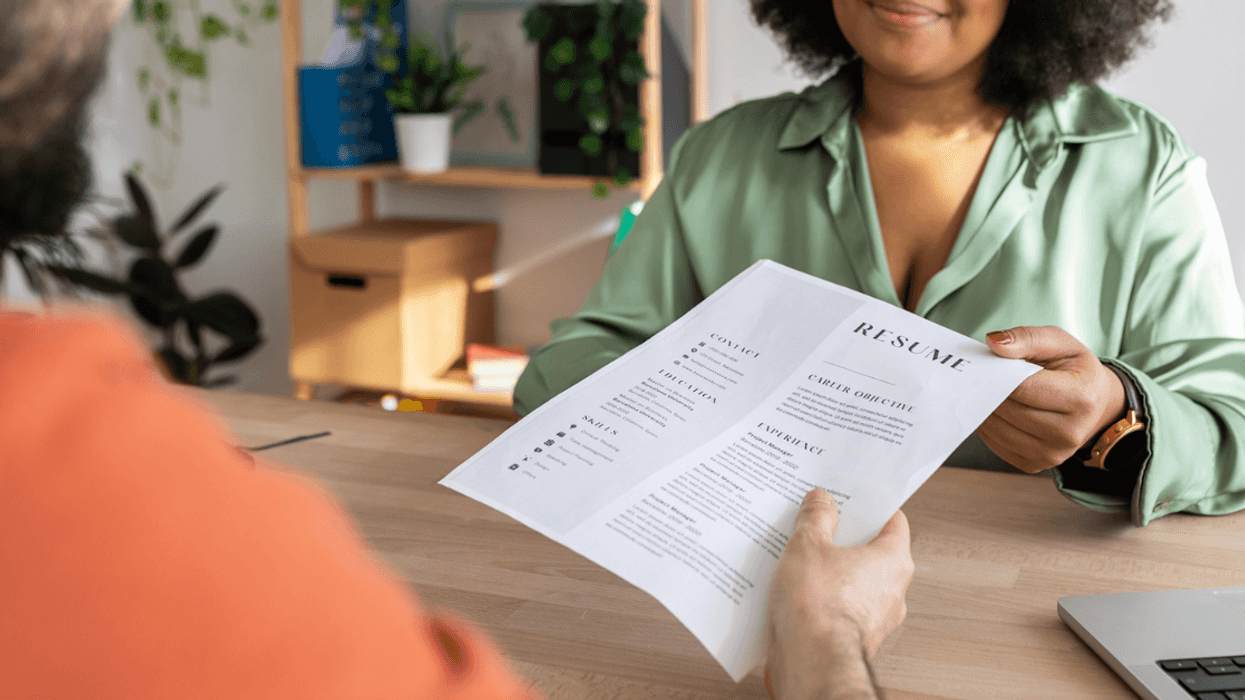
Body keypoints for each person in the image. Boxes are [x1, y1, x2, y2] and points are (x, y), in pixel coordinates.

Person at [0, 1, 913, 698]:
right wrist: (825, 642)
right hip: (723, 574)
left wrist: (1068, 447)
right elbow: (577, 356)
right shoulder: (725, 153)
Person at [514, 0, 1245, 527]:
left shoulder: (1141, 167)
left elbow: (1230, 423)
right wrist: (710, 398)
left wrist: (1114, 421)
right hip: (754, 588)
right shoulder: (718, 156)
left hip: (1026, 609)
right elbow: (567, 362)